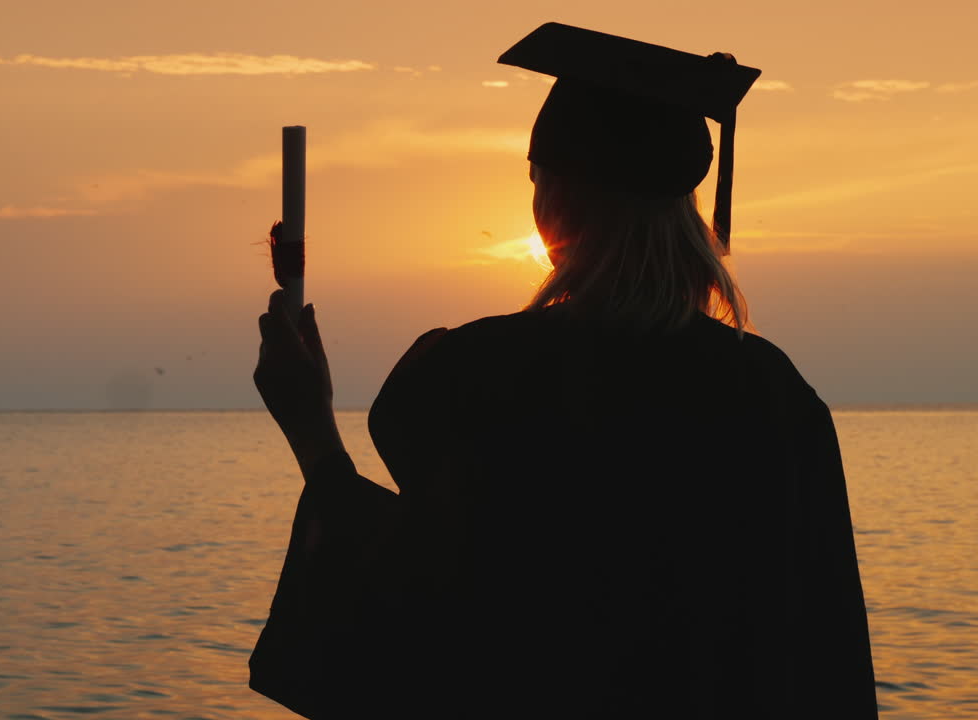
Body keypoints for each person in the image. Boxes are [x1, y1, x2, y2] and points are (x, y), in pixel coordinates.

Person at [249, 23, 878, 720]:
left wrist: (313, 434)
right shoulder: (776, 399)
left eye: (537, 179)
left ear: (555, 206)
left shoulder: (476, 379)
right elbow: (827, 649)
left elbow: (415, 623)